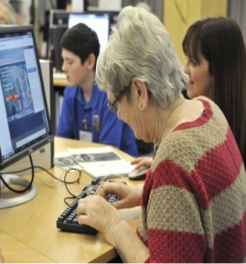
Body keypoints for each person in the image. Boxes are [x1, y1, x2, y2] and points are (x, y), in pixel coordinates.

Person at [76, 6, 246, 263]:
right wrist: (145, 196)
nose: (118, 115)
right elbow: (197, 204)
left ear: (140, 92)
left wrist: (113, 225)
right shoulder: (207, 109)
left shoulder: (172, 163)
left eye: (116, 104)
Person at [132, 16, 246, 170]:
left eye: (193, 62)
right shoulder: (192, 108)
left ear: (219, 70)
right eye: (186, 59)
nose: (184, 69)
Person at [58, 23, 139, 156]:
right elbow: (63, 141)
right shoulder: (70, 92)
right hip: (85, 164)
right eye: (63, 60)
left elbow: (106, 152)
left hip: (120, 167)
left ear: (90, 61)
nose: (63, 68)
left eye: (70, 62)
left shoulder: (111, 95)